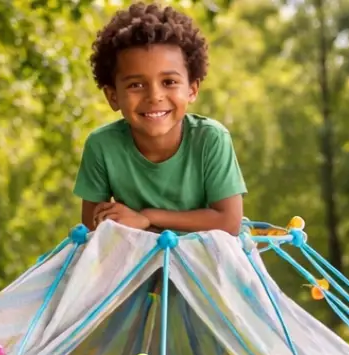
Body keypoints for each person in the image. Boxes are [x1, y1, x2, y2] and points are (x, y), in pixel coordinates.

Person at [74, 2, 247, 236]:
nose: (154, 96)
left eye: (169, 82)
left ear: (192, 90)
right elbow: (93, 231)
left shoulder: (211, 139)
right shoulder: (102, 146)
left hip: (206, 262)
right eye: (136, 85)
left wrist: (147, 217)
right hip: (135, 261)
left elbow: (229, 222)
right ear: (113, 96)